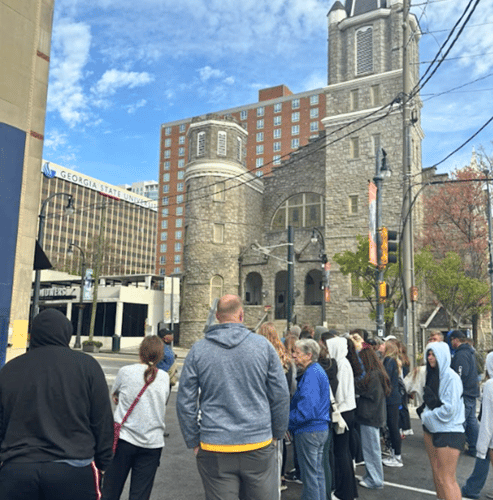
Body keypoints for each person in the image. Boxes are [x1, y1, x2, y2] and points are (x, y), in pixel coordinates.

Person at [176, 295, 290, 500]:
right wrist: (277, 433)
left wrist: (193, 439)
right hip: (257, 443)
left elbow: (185, 400)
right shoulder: (263, 347)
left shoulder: (198, 350)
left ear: (217, 317)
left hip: (215, 444)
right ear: (241, 315)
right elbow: (280, 394)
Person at [0, 309, 113, 500]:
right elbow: (102, 421)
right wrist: (103, 462)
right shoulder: (87, 366)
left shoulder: (10, 369)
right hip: (74, 468)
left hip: (18, 469)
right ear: (66, 333)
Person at [102, 336, 170, 500]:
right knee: (140, 495)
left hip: (124, 440)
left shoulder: (126, 371)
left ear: (140, 352)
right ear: (160, 356)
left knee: (110, 491)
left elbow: (115, 394)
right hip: (152, 444)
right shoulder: (164, 378)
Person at [420, 341, 465, 500]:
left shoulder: (451, 378)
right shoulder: (432, 375)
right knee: (438, 476)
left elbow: (449, 409)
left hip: (449, 431)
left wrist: (426, 416)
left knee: (447, 479)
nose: (430, 358)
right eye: (429, 354)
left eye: (434, 354)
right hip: (432, 429)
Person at [289, 339, 331, 500]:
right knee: (317, 473)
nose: (294, 356)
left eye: (297, 353)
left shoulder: (312, 374)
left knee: (310, 477)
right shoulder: (316, 371)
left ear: (309, 355)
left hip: (309, 430)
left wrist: (288, 421)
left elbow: (307, 409)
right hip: (319, 428)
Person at [258, 322, 296, 492]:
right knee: (280, 442)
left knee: (266, 446)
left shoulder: (261, 354)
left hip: (265, 406)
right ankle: (281, 475)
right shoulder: (285, 356)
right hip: (283, 402)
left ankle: (270, 480)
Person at [326, 336, 358, 500]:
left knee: (341, 453)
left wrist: (334, 404)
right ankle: (348, 490)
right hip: (347, 410)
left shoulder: (342, 365)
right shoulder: (343, 363)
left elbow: (342, 393)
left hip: (344, 412)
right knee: (343, 452)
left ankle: (343, 492)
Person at [355, 344, 391, 490]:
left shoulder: (373, 375)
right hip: (374, 415)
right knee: (371, 448)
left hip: (370, 416)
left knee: (371, 449)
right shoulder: (378, 373)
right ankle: (372, 476)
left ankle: (376, 479)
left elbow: (368, 392)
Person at [462, 351, 493, 499]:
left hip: (491, 436)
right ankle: (472, 487)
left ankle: (472, 488)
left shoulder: (490, 385)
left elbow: (487, 418)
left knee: (484, 456)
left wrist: (482, 444)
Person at [450, 330, 480, 457]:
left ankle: (457, 446)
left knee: (462, 421)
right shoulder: (470, 352)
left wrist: (456, 390)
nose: (451, 343)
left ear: (456, 339)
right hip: (472, 391)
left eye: (451, 340)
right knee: (472, 420)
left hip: (465, 392)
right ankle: (474, 447)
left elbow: (461, 374)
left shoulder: (461, 354)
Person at [382, 340, 403, 467]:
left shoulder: (389, 361)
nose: (382, 346)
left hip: (391, 398)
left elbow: (386, 378)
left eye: (384, 344)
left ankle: (397, 456)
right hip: (393, 397)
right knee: (393, 426)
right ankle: (395, 454)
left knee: (393, 426)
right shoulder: (393, 361)